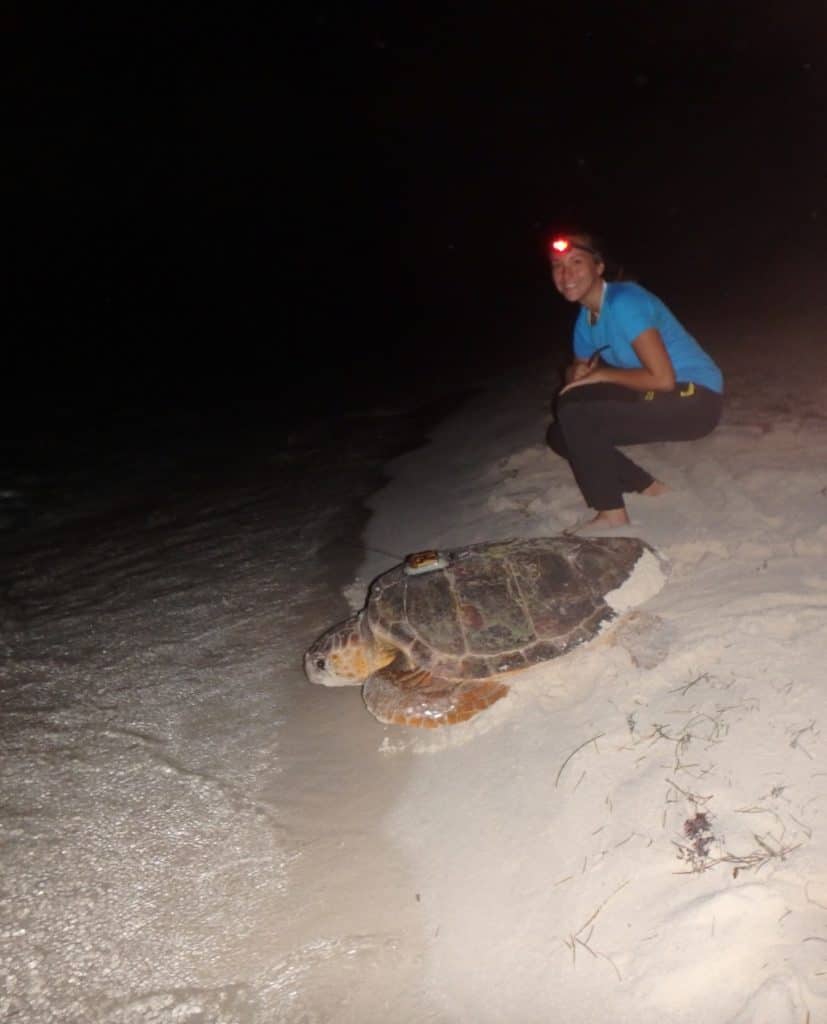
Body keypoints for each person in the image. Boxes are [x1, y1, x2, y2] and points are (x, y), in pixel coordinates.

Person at [545, 230, 723, 533]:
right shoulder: (585, 319)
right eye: (557, 266)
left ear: (598, 267)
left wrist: (600, 374)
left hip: (696, 399)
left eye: (576, 262)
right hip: (663, 399)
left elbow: (663, 379)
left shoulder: (624, 301)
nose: (566, 273)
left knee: (574, 409)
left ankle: (612, 515)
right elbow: (577, 375)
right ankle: (647, 485)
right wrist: (574, 375)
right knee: (561, 433)